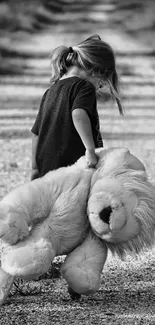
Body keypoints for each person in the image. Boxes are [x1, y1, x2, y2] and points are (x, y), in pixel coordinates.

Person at [31, 34, 123, 180]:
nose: (101, 86)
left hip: (47, 165)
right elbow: (78, 114)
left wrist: (34, 168)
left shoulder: (50, 91)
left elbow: (37, 132)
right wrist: (90, 150)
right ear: (96, 69)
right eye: (103, 81)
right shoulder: (84, 86)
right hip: (73, 163)